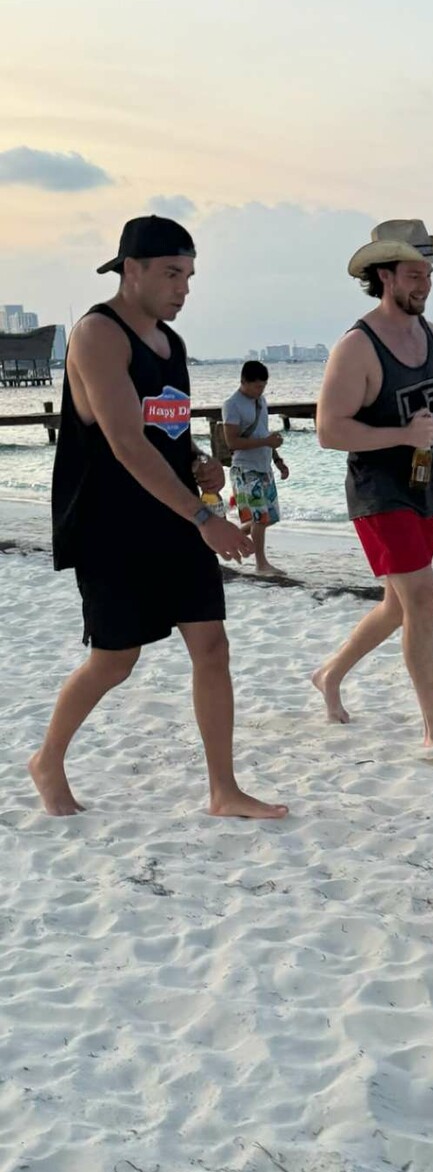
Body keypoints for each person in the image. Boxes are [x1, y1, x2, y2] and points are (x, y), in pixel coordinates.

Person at [28, 215, 288, 820]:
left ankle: (223, 790)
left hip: (173, 515)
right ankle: (47, 760)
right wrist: (205, 518)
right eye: (172, 274)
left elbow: (164, 429)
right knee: (115, 659)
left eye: (190, 276)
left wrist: (200, 463)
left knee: (212, 647)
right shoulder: (98, 334)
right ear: (132, 270)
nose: (184, 288)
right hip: (110, 524)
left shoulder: (172, 345)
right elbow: (125, 442)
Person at [311, 218, 433, 753]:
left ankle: (329, 674)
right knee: (422, 594)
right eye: (415, 274)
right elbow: (328, 430)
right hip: (377, 491)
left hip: (422, 489)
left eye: (429, 274)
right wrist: (402, 434)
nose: (425, 284)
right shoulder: (357, 346)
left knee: (398, 605)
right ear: (384, 275)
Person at [222, 359, 290, 575]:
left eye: (263, 386)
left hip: (264, 466)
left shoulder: (261, 401)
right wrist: (265, 442)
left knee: (269, 517)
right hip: (245, 469)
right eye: (257, 386)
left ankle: (227, 538)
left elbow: (263, 433)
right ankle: (261, 564)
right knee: (260, 518)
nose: (260, 390)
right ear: (244, 381)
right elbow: (232, 442)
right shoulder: (232, 405)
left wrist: (278, 460)